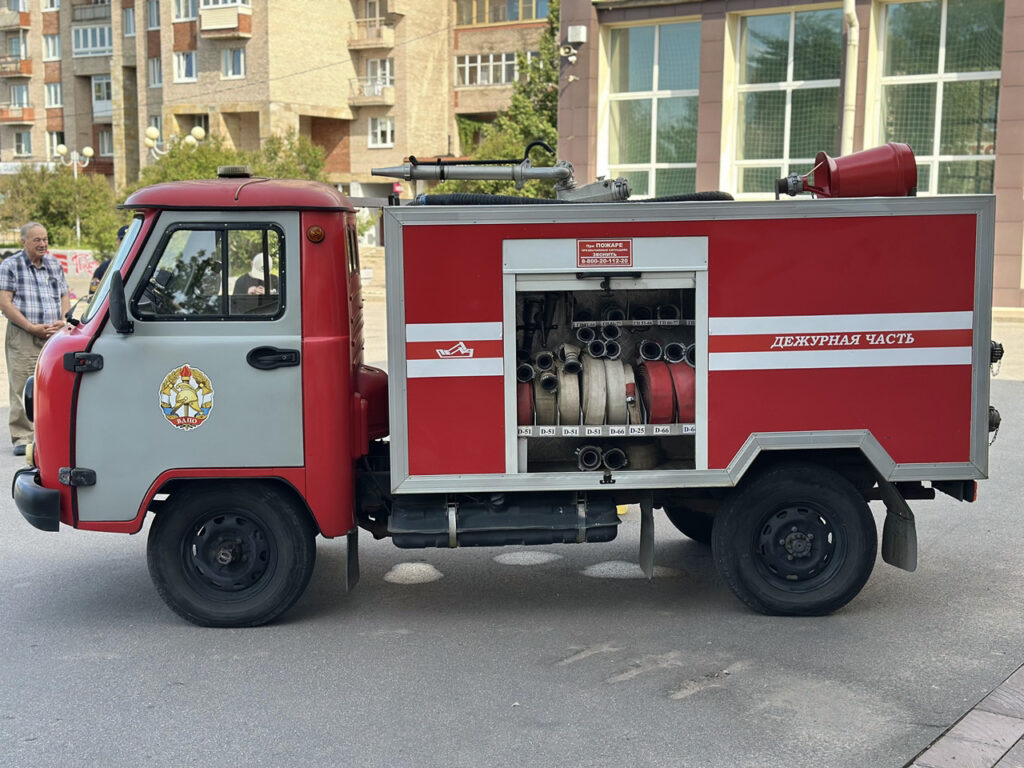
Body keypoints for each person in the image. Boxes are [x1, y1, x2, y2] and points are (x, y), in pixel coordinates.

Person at [0, 222, 70, 455]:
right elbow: (4, 302)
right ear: (24, 242)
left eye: (45, 239)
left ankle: (52, 434)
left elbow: (64, 295)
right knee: (22, 384)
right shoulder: (10, 266)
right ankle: (23, 437)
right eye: (37, 240)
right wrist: (31, 327)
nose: (43, 244)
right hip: (23, 333)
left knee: (52, 384)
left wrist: (63, 319)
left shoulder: (54, 264)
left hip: (53, 334)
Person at [89, 224, 128, 295]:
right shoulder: (104, 268)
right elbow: (93, 294)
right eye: (123, 240)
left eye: (129, 240)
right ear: (118, 242)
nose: (126, 244)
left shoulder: (142, 266)